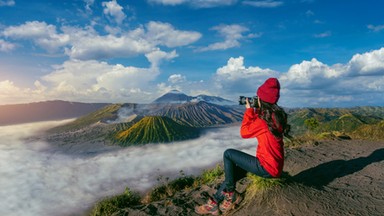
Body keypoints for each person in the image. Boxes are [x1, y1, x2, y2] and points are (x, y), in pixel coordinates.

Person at [195, 77, 290, 215]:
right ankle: (215, 202)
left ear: (262, 99)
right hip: (275, 166)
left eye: (258, 97)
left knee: (228, 154)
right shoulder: (278, 116)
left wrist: (250, 110)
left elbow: (244, 133)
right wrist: (258, 109)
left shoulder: (263, 121)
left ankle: (231, 195)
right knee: (232, 176)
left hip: (266, 167)